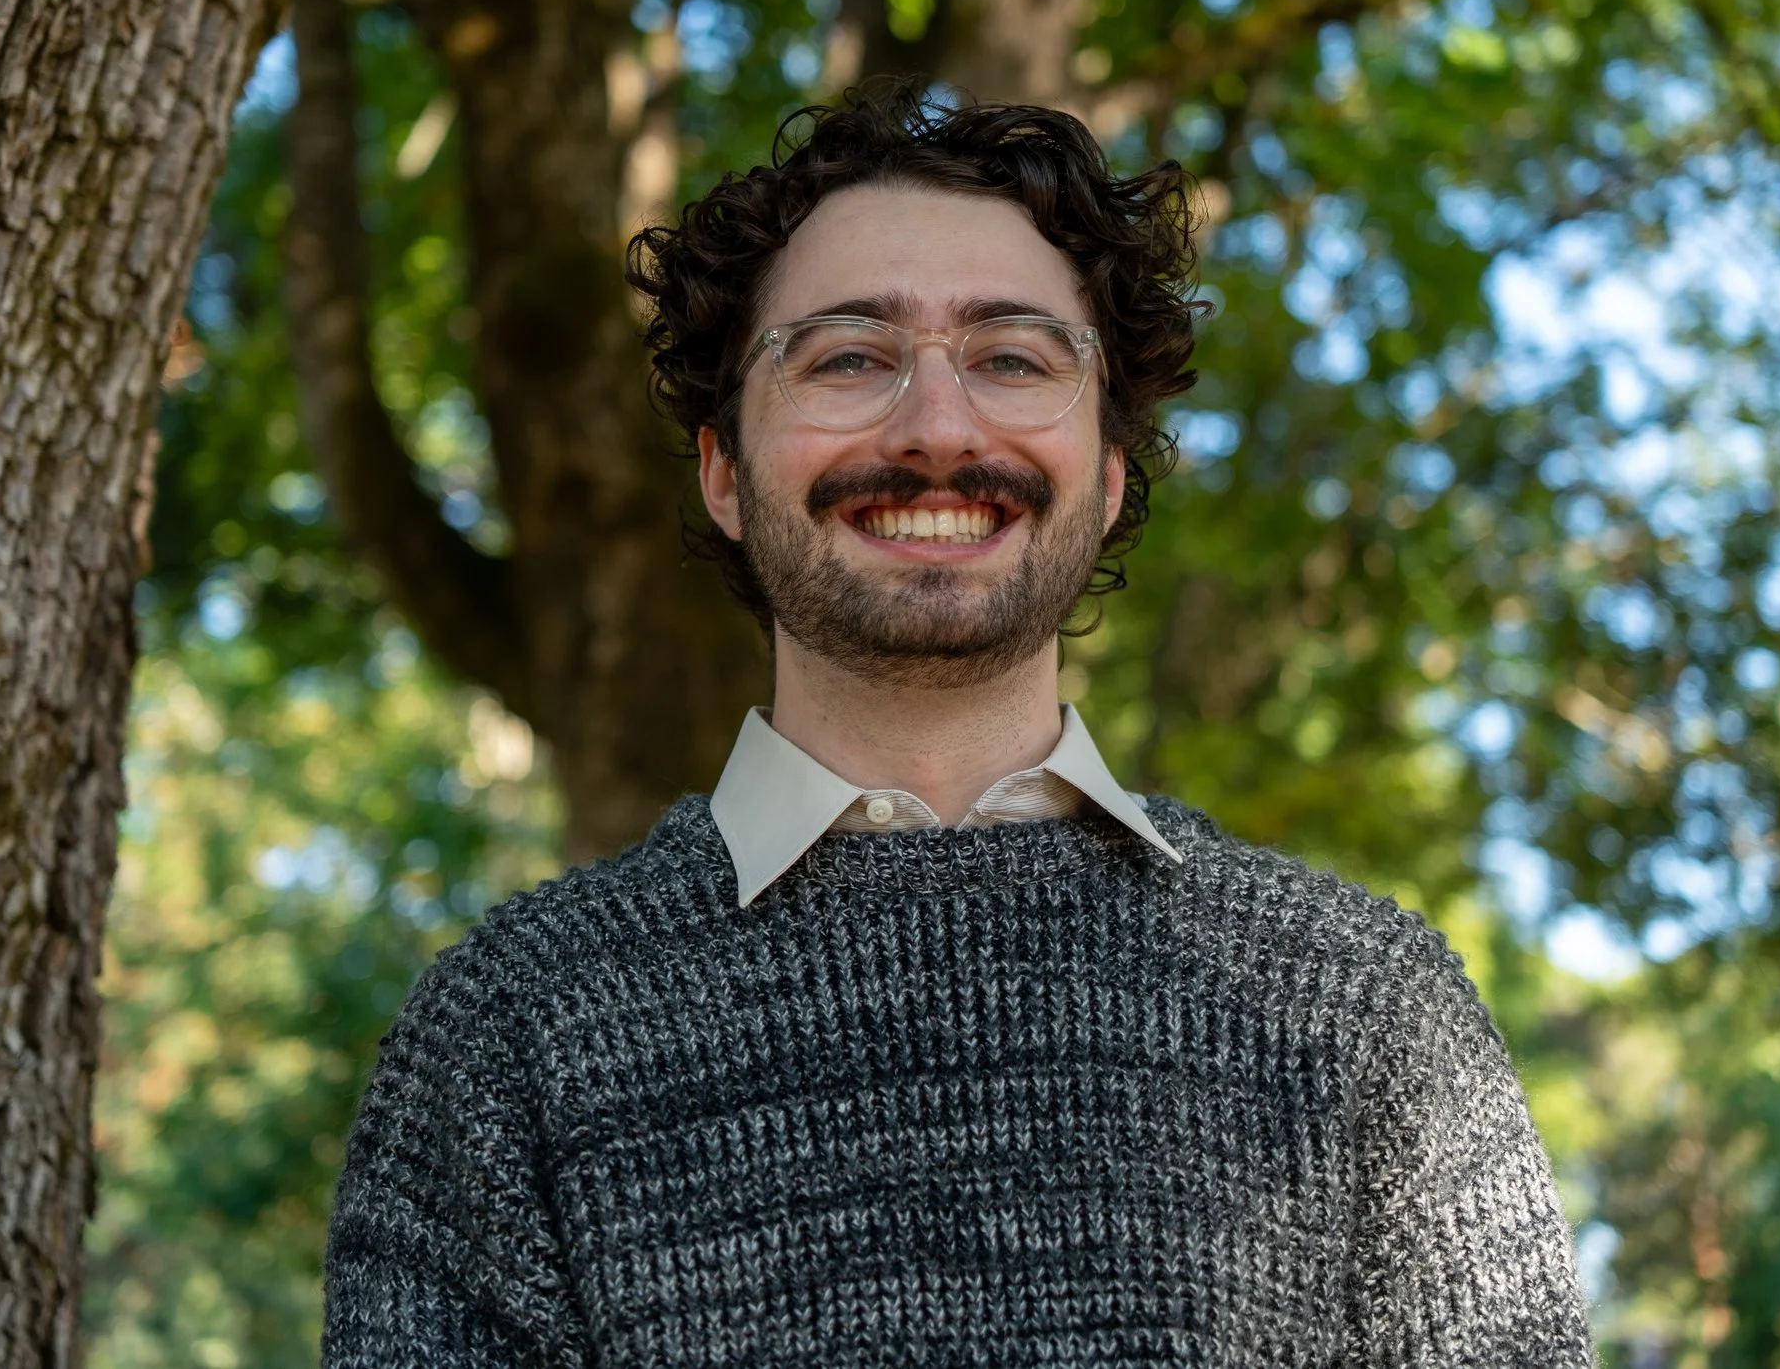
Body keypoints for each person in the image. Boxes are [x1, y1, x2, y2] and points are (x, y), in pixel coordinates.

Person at [321, 81, 1595, 1367]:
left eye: (1013, 358)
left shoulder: (1368, 1013)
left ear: (1104, 476)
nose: (936, 426)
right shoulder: (509, 1035)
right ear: (721, 469)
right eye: (848, 356)